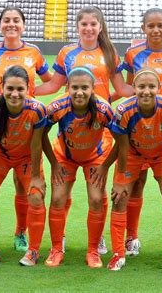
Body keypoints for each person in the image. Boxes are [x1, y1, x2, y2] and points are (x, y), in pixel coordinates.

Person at [35, 6, 134, 254]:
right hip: (70, 125)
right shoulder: (67, 52)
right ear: (77, 27)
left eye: (93, 24)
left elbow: (121, 89)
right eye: (84, 24)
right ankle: (61, 237)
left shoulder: (109, 52)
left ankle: (97, 238)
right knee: (62, 188)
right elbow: (55, 85)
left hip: (101, 128)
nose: (89, 28)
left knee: (97, 192)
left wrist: (153, 94)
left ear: (100, 27)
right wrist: (25, 91)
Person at [0, 6, 52, 252]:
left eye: (16, 20)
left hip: (24, 123)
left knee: (22, 186)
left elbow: (51, 81)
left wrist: (29, 96)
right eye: (6, 20)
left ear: (23, 25)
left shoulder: (33, 51)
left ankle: (20, 233)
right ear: (0, 24)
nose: (11, 24)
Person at [116, 8, 162, 256]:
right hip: (139, 126)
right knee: (135, 184)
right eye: (151, 26)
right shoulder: (133, 52)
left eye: (160, 25)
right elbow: (128, 84)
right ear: (143, 28)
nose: (156, 30)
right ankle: (131, 238)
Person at [107, 70, 162, 272]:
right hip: (133, 153)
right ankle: (118, 253)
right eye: (141, 87)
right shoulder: (124, 110)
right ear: (134, 88)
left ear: (159, 89)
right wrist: (120, 179)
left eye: (151, 87)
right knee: (120, 196)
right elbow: (122, 147)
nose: (146, 91)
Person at [42, 67, 115, 268]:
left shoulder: (103, 109)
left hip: (95, 157)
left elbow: (122, 139)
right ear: (67, 88)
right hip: (65, 157)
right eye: (75, 87)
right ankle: (56, 248)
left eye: (85, 87)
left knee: (96, 199)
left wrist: (105, 166)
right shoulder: (57, 106)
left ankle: (93, 251)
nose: (80, 92)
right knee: (57, 198)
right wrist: (54, 164)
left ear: (93, 89)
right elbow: (40, 134)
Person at [0, 66, 47, 266]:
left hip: (25, 158)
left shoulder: (37, 109)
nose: (14, 94)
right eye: (10, 88)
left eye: (20, 89)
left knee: (35, 195)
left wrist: (35, 176)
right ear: (2, 87)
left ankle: (32, 250)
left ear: (28, 89)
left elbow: (36, 144)